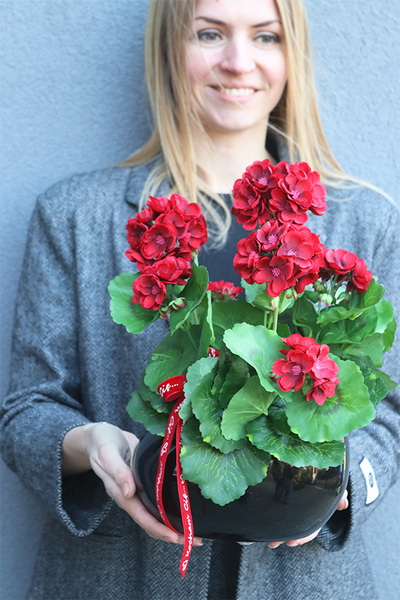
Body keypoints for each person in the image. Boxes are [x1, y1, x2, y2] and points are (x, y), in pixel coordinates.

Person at [1, 0, 399, 598]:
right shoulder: (76, 217)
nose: (238, 62)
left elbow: (386, 412)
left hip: (305, 579)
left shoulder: (366, 223)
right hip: (116, 576)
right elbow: (26, 410)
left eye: (265, 37)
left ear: (293, 58)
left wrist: (333, 485)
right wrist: (92, 448)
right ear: (169, 48)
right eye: (210, 33)